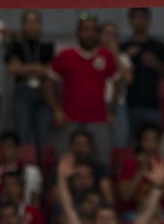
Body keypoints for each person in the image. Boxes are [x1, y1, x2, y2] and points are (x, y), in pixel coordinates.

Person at [47, 15, 118, 160]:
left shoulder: (106, 56)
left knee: (102, 160)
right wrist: (56, 110)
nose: (89, 34)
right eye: (85, 30)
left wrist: (111, 112)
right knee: (64, 160)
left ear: (97, 33)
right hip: (69, 118)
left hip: (98, 119)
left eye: (92, 30)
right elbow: (49, 82)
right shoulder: (65, 55)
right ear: (78, 32)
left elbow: (118, 83)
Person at [5, 10, 54, 152]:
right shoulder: (15, 46)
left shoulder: (47, 47)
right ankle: (26, 170)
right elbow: (13, 69)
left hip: (43, 91)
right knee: (23, 134)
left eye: (35, 23)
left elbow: (50, 71)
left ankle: (40, 171)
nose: (32, 26)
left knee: (43, 135)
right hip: (22, 90)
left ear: (40, 25)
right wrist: (38, 67)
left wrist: (24, 68)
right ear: (23, 25)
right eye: (29, 22)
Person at [122, 7, 164, 131]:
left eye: (143, 17)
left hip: (152, 104)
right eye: (136, 17)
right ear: (130, 20)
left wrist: (156, 64)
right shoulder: (123, 47)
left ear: (149, 20)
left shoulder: (157, 46)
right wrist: (124, 58)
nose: (140, 21)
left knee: (153, 141)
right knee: (128, 146)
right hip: (127, 105)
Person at [117, 124, 164, 219]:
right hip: (133, 212)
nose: (149, 144)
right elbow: (125, 196)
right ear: (140, 142)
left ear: (159, 143)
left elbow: (163, 195)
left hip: (158, 212)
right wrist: (140, 170)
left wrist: (152, 171)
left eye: (153, 140)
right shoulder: (129, 163)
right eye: (145, 140)